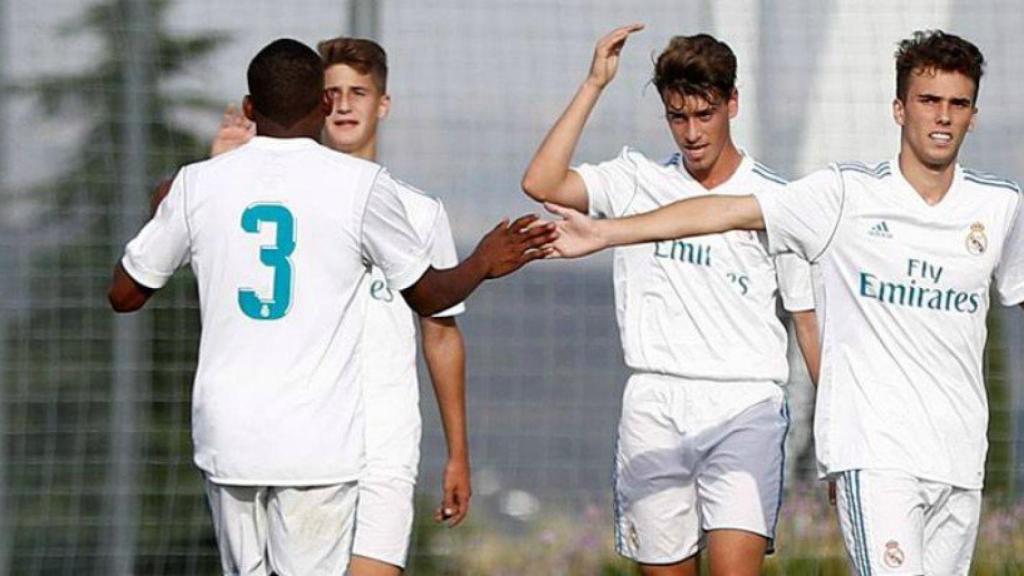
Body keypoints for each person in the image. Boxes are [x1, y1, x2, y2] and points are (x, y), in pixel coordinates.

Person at [545, 30, 1024, 576]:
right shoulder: (843, 195)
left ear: (974, 115)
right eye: (928, 101)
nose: (943, 117)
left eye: (957, 104)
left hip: (959, 459)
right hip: (874, 455)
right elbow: (723, 212)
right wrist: (609, 235)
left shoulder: (1001, 206)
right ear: (899, 108)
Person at [108, 38, 555, 575]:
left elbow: (124, 294)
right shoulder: (358, 187)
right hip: (315, 443)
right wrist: (483, 260)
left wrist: (176, 206)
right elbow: (429, 296)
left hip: (230, 437)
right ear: (322, 104)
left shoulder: (198, 185)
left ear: (250, 109)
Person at [521, 25, 819, 575]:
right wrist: (594, 83)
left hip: (744, 406)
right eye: (677, 117)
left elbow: (807, 319)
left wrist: (835, 434)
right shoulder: (636, 180)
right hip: (654, 404)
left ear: (732, 103)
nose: (692, 132)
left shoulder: (775, 200)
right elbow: (541, 181)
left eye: (704, 115)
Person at [208, 36, 474, 575]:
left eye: (360, 91)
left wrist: (458, 452)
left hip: (383, 447)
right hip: (298, 442)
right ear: (317, 103)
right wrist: (224, 168)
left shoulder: (420, 213)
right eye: (335, 92)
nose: (347, 104)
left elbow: (440, 331)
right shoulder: (271, 205)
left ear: (384, 104)